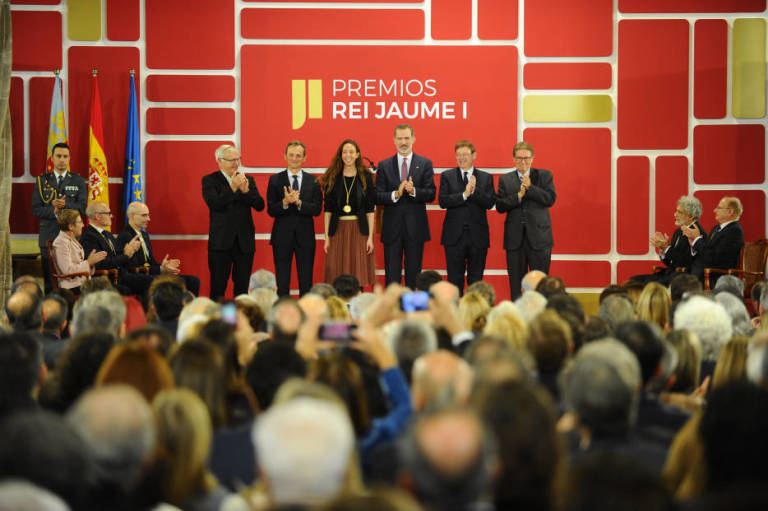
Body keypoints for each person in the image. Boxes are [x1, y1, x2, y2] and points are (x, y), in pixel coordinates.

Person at [376, 124, 436, 288]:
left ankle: (413, 312)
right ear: (394, 140)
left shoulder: (425, 163)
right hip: (391, 229)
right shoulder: (384, 165)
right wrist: (396, 193)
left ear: (413, 139)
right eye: (400, 138)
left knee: (414, 277)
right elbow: (377, 195)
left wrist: (413, 190)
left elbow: (431, 193)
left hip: (415, 229)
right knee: (392, 279)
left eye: (407, 138)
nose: (403, 142)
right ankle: (392, 311)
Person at [202, 144, 265, 301]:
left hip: (244, 243)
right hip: (221, 243)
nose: (235, 163)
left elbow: (260, 205)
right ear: (219, 161)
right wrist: (232, 187)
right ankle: (221, 322)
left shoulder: (247, 179)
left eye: (237, 159)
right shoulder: (210, 180)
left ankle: (240, 321)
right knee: (218, 287)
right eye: (231, 160)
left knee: (242, 288)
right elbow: (215, 204)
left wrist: (246, 192)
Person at [496, 141, 556, 300]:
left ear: (532, 158)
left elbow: (550, 199)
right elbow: (500, 206)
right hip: (515, 241)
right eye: (519, 158)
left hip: (539, 239)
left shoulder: (544, 176)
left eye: (526, 158)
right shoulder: (505, 180)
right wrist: (518, 197)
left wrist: (531, 188)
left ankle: (541, 320)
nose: (523, 161)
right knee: (516, 286)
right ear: (514, 159)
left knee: (542, 286)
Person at [266, 140, 323, 297]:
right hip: (281, 237)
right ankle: (283, 314)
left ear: (304, 158)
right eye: (291, 155)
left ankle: (306, 313)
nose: (294, 158)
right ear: (285, 156)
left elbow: (317, 209)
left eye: (298, 155)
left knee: (306, 280)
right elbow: (270, 209)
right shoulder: (275, 180)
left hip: (305, 237)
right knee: (282, 280)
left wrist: (299, 203)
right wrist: (284, 202)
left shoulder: (314, 181)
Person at [438, 140, 496, 293]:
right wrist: (464, 195)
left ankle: (475, 315)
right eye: (458, 155)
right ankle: (454, 315)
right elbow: (443, 201)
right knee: (453, 282)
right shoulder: (447, 176)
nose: (461, 158)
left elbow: (490, 202)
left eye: (465, 154)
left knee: (476, 282)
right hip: (453, 237)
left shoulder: (485, 178)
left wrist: (475, 191)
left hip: (478, 238)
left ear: (474, 155)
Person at [31, 142, 87, 293]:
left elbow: (82, 208)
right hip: (48, 235)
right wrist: (54, 210)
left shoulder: (78, 181)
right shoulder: (42, 181)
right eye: (59, 156)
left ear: (69, 159)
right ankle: (51, 314)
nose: (62, 159)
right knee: (50, 282)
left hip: (71, 238)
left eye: (65, 156)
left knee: (73, 280)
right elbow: (36, 210)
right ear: (52, 159)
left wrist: (65, 204)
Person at [321, 139, 376, 287]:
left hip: (360, 230)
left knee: (358, 272)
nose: (348, 155)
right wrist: (326, 237)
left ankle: (357, 305)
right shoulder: (332, 176)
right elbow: (328, 211)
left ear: (357, 154)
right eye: (345, 152)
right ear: (341, 155)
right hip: (337, 229)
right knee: (337, 273)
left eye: (351, 151)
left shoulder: (366, 176)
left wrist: (370, 237)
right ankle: (340, 307)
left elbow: (370, 210)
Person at [117, 201, 201, 296]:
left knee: (193, 281)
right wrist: (160, 269)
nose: (148, 219)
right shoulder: (125, 236)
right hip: (137, 277)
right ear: (132, 216)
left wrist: (164, 267)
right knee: (178, 282)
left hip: (149, 274)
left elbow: (150, 262)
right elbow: (134, 267)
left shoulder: (144, 235)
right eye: (144, 215)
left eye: (148, 215)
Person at [80, 203, 150, 296]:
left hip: (120, 275)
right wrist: (125, 255)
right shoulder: (89, 236)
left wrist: (130, 250)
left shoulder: (108, 234)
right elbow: (101, 264)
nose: (112, 216)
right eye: (108, 213)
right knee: (142, 283)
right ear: (97, 216)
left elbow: (116, 255)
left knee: (151, 281)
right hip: (107, 279)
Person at [633, 196, 705, 285]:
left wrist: (667, 248)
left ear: (690, 216)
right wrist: (663, 251)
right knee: (634, 281)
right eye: (676, 211)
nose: (675, 214)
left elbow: (686, 262)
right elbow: (671, 262)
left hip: (683, 277)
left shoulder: (697, 233)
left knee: (647, 284)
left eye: (679, 212)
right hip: (670, 273)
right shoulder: (678, 232)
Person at [683, 196, 745, 287]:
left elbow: (714, 258)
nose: (714, 210)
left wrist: (697, 239)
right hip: (702, 272)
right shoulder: (716, 228)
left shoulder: (734, 231)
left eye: (719, 208)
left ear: (730, 211)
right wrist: (694, 244)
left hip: (716, 276)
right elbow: (706, 252)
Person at [51, 209, 107, 293]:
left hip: (82, 283)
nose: (83, 225)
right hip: (71, 287)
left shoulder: (72, 239)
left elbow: (79, 264)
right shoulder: (61, 242)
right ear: (71, 226)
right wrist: (88, 262)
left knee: (114, 289)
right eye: (80, 222)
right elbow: (67, 270)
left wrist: (91, 263)